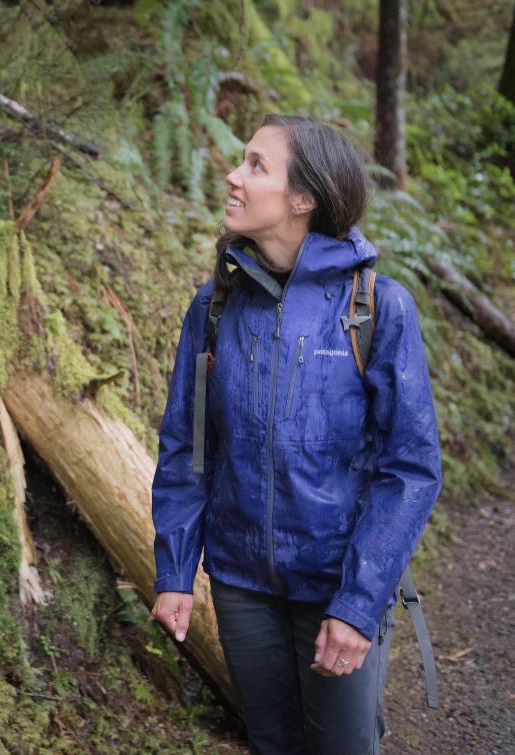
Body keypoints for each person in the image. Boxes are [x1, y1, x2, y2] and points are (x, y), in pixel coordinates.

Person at [149, 114, 442, 755]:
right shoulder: (217, 304)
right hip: (240, 583)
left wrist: (359, 603)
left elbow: (411, 470)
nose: (233, 174)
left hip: (338, 581)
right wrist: (174, 570)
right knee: (271, 742)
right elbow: (189, 446)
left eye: (256, 165)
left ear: (303, 198)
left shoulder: (375, 307)